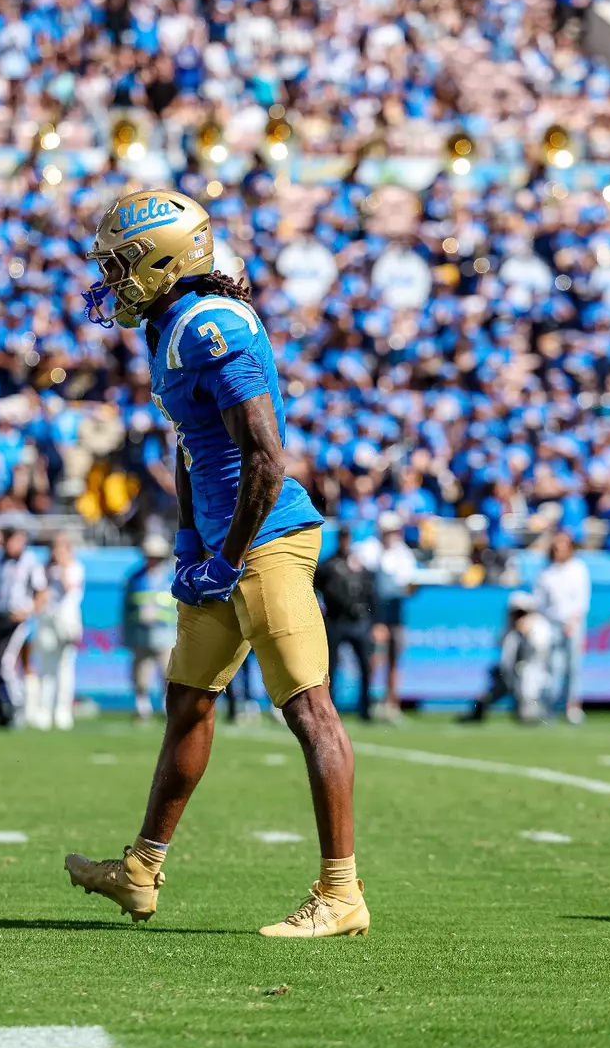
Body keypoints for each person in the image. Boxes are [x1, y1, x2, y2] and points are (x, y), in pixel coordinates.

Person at [66, 189, 366, 938]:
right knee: (189, 703)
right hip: (225, 542)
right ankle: (141, 871)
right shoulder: (172, 323)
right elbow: (194, 446)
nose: (115, 278)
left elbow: (266, 457)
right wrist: (193, 542)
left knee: (307, 706)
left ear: (170, 257)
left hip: (264, 539)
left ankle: (341, 894)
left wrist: (228, 554)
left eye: (125, 263)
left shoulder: (212, 325)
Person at [0, 528, 47, 728]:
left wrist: (28, 611)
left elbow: (42, 593)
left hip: (14, 619)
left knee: (4, 663)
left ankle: (16, 705)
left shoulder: (30, 563)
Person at [314, 525, 379, 721]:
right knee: (331, 667)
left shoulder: (359, 565)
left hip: (358, 621)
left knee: (365, 666)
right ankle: (329, 707)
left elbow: (370, 593)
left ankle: (365, 708)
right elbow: (314, 586)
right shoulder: (328, 565)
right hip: (336, 620)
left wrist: (375, 620)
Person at [460, 592, 553, 723]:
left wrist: (526, 634)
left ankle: (537, 712)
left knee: (527, 708)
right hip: (509, 674)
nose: (519, 617)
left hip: (532, 674)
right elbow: (505, 652)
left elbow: (537, 652)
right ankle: (478, 712)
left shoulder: (540, 626)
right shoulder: (510, 629)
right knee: (492, 692)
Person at [360, 513, 416, 716]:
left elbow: (407, 583)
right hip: (375, 612)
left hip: (395, 611)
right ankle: (368, 698)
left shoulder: (403, 553)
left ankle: (391, 702)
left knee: (395, 656)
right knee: (376, 655)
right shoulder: (369, 548)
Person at [536, 531, 591, 724]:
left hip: (573, 624)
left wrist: (573, 621)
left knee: (573, 667)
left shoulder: (578, 569)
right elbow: (540, 603)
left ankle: (572, 706)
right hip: (552, 624)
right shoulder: (547, 572)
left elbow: (582, 599)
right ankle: (548, 706)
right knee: (553, 667)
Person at [123, 535, 178, 723]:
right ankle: (142, 707)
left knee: (167, 673)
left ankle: (166, 706)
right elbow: (127, 608)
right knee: (140, 675)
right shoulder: (135, 579)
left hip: (166, 634)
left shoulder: (171, 577)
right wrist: (127, 635)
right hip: (141, 635)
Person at [34, 535, 85, 730]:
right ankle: (43, 711)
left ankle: (62, 711)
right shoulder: (44, 568)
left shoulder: (75, 567)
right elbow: (41, 593)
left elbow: (70, 590)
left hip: (67, 621)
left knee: (65, 667)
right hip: (48, 619)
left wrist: (63, 566)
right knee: (46, 666)